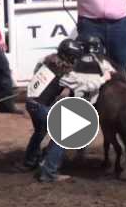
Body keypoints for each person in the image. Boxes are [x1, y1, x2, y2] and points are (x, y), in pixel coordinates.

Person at [22, 39, 113, 183]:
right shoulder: (64, 74)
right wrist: (103, 78)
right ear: (69, 57)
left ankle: (29, 161)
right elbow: (86, 86)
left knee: (40, 131)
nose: (76, 61)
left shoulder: (47, 60)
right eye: (74, 58)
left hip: (31, 102)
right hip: (40, 107)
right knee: (63, 135)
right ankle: (49, 172)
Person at [73, 0, 126, 73]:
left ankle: (118, 85)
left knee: (119, 66)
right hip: (89, 22)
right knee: (90, 65)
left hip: (120, 23)